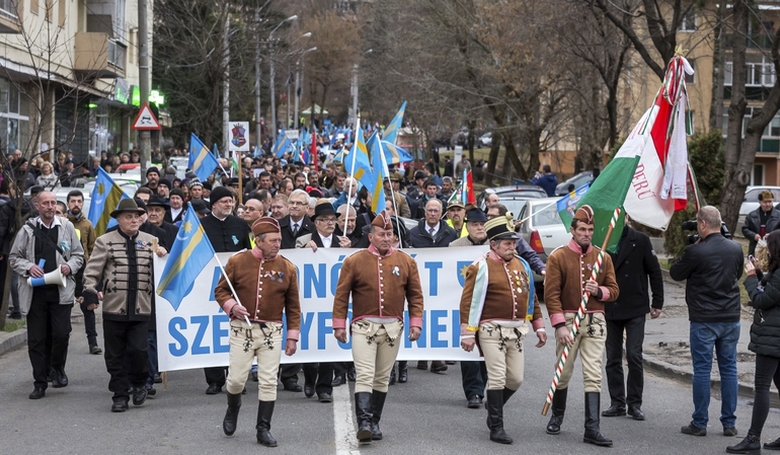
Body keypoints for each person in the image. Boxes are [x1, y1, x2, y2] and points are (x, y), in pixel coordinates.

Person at [332, 210, 425, 444]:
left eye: (390, 234)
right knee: (364, 374)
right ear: (371, 236)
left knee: (382, 378)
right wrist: (339, 324)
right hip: (363, 326)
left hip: (393, 327)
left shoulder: (406, 261)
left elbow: (415, 296)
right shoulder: (354, 261)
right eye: (382, 234)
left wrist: (416, 322)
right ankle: (363, 423)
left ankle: (374, 421)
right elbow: (341, 295)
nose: (386, 238)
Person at [459, 213, 547, 444]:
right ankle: (496, 426)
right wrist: (468, 333)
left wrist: (539, 325)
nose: (512, 247)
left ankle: (494, 404)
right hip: (490, 329)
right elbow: (468, 302)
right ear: (494, 244)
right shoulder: (480, 266)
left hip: (517, 330)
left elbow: (531, 298)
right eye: (507, 243)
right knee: (497, 377)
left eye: (514, 243)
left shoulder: (523, 265)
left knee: (515, 379)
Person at [215, 217, 301, 447]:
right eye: (273, 240)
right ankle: (233, 408)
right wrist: (232, 306)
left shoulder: (288, 267)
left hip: (272, 331)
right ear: (258, 241)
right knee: (235, 380)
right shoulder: (237, 261)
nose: (277, 244)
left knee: (268, 381)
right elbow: (220, 291)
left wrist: (292, 336)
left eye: (279, 240)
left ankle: (263, 429)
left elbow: (293, 307)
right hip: (242, 330)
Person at [544, 205, 619, 446]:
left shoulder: (603, 256)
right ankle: (557, 415)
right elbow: (551, 295)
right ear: (573, 230)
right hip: (568, 320)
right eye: (582, 229)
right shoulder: (558, 256)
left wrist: (600, 291)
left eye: (590, 229)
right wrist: (560, 326)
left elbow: (615, 290)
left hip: (595, 320)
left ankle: (592, 428)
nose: (587, 233)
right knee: (563, 372)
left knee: (593, 374)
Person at [82, 198, 165, 412]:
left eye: (137, 216)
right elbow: (92, 272)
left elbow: (163, 270)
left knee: (139, 350)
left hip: (142, 307)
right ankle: (119, 394)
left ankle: (139, 384)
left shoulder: (151, 240)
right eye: (128, 216)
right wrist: (89, 292)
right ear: (118, 219)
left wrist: (162, 255)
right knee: (114, 354)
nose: (134, 220)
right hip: (114, 308)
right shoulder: (104, 241)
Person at [670, 206, 743, 437]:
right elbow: (738, 274)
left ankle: (700, 422)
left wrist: (689, 249)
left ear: (702, 224)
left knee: (702, 370)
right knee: (729, 369)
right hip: (730, 316)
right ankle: (729, 423)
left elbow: (675, 273)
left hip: (704, 318)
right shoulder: (736, 248)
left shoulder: (695, 251)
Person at [9, 191, 84, 400]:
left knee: (61, 334)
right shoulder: (27, 230)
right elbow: (14, 257)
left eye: (53, 203)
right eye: (46, 203)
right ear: (37, 206)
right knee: (37, 339)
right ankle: (40, 382)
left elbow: (79, 255)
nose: (50, 206)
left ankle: (57, 369)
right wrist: (29, 266)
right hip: (35, 293)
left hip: (61, 291)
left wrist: (69, 266)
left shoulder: (67, 227)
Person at [602, 218, 664, 421]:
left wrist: (658, 302)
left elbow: (654, 271)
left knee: (634, 354)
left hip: (635, 305)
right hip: (612, 305)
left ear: (627, 218)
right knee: (612, 356)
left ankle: (635, 403)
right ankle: (617, 402)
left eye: (623, 216)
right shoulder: (603, 240)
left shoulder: (641, 240)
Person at [729, 232, 780, 453]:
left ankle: (752, 439)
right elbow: (770, 293)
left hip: (773, 337)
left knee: (761, 386)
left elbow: (761, 300)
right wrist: (759, 274)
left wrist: (749, 278)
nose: (765, 251)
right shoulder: (776, 273)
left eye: (768, 247)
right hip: (775, 336)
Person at [200, 186, 252, 395]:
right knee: (210, 330)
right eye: (224, 202)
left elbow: (248, 251)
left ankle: (237, 377)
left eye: (230, 202)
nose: (229, 205)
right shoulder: (201, 226)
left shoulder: (240, 225)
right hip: (209, 287)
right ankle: (214, 380)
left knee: (237, 331)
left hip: (237, 286)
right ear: (213, 204)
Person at [66, 190, 100, 355]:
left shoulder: (87, 225)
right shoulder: (63, 223)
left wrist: (92, 271)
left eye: (79, 201)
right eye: (73, 201)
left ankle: (92, 342)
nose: (76, 204)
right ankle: (62, 340)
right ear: (68, 203)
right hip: (64, 270)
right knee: (63, 308)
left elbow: (93, 248)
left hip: (83, 271)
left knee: (89, 308)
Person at [743, 189, 780, 256]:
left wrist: (773, 235)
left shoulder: (778, 215)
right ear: (759, 202)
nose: (768, 204)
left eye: (770, 202)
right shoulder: (752, 215)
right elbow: (745, 229)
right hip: (755, 248)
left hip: (774, 250)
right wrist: (753, 236)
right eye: (765, 202)